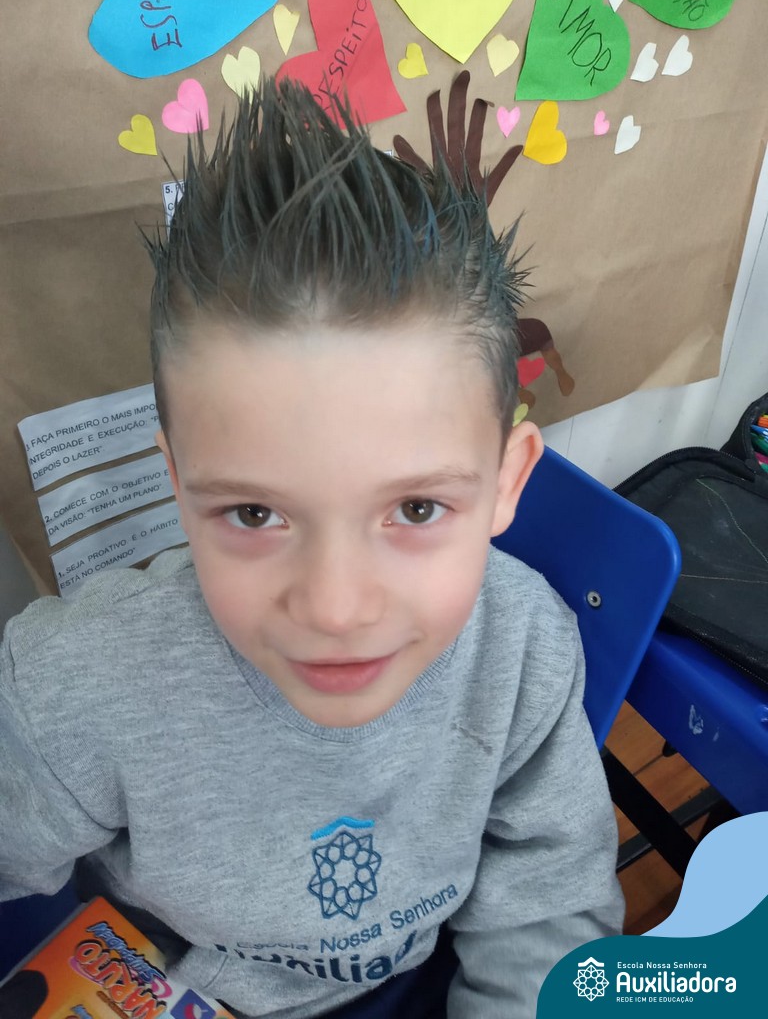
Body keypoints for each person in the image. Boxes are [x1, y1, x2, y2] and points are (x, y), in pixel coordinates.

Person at [0, 78, 623, 1018]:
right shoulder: (73, 690)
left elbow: (547, 911)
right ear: (177, 481)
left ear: (506, 481)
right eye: (255, 514)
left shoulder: (523, 650)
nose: (335, 609)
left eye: (416, 508)